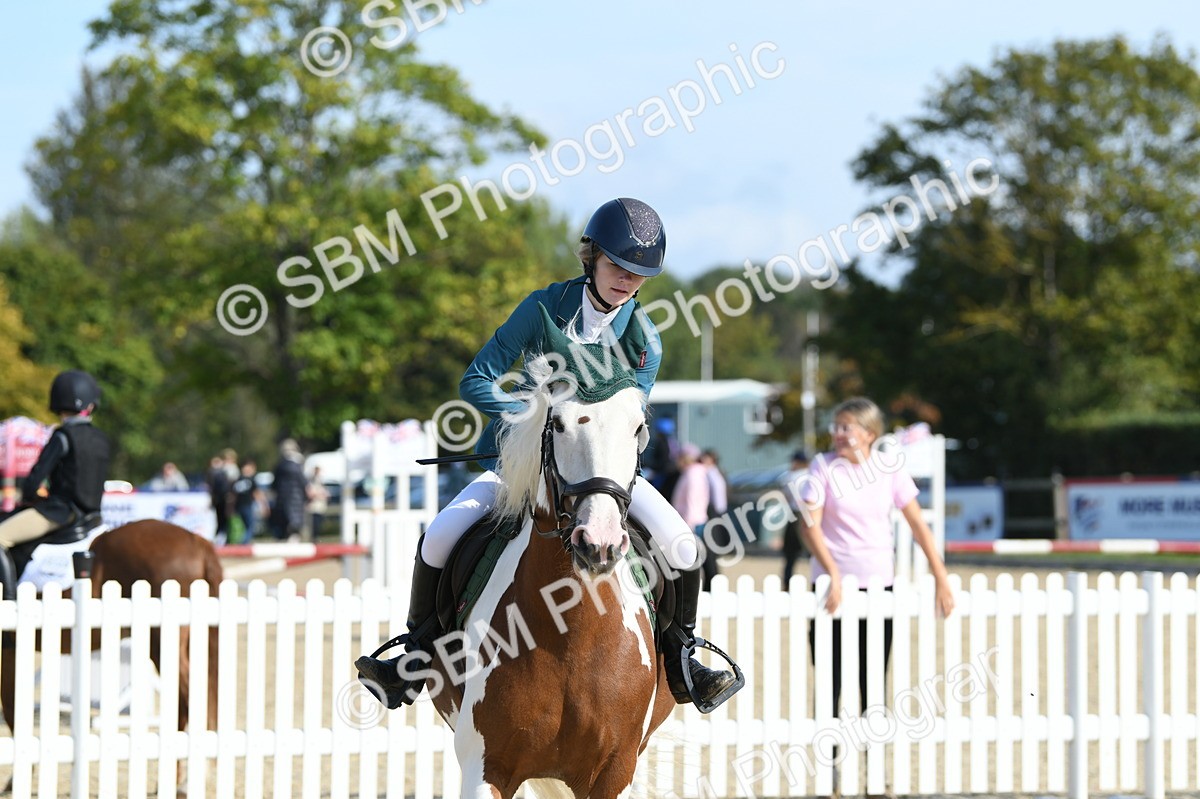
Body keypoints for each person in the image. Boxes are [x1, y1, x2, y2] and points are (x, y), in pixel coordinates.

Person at [357, 198, 741, 711]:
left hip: (602, 477)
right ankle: (414, 655)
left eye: (638, 275)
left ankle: (682, 657)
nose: (627, 281)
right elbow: (476, 379)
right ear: (592, 257)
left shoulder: (645, 341)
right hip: (520, 467)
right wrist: (528, 411)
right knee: (440, 536)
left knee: (683, 546)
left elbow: (631, 424)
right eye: (617, 266)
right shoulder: (541, 309)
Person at [800, 398, 955, 727]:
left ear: (870, 433)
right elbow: (809, 525)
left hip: (878, 587)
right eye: (835, 427)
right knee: (829, 679)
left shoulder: (889, 468)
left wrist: (941, 577)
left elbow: (918, 526)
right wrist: (833, 574)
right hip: (830, 588)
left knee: (872, 680)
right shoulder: (823, 466)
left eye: (846, 427)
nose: (837, 434)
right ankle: (830, 758)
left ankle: (874, 757)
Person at [0, 371, 111, 600]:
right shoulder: (101, 438)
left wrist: (32, 496)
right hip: (92, 516)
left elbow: (34, 480)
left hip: (59, 513)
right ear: (90, 406)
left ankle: (8, 604)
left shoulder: (63, 436)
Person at [698, 448, 728, 590]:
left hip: (712, 513)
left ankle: (712, 583)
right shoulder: (715, 473)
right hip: (715, 513)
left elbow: (718, 500)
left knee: (710, 551)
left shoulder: (709, 473)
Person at [780, 449, 810, 587]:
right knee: (812, 551)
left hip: (796, 514)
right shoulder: (811, 474)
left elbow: (786, 497)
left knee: (790, 553)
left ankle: (787, 582)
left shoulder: (789, 476)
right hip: (810, 513)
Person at [269, 439, 307, 542]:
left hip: (282, 500)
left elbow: (274, 485)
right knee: (295, 527)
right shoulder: (298, 465)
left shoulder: (279, 465)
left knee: (283, 527)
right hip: (296, 500)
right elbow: (303, 482)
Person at [231, 459, 267, 542]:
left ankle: (241, 542)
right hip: (247, 505)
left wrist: (231, 507)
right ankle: (245, 543)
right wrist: (263, 506)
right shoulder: (251, 480)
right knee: (249, 526)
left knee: (242, 526)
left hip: (238, 506)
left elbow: (233, 495)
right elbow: (256, 493)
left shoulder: (238, 479)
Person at [306, 466, 331, 539]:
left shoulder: (320, 481)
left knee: (319, 523)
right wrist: (320, 495)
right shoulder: (312, 481)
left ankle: (315, 537)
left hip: (320, 506)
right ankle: (314, 538)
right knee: (314, 524)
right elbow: (311, 493)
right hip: (314, 506)